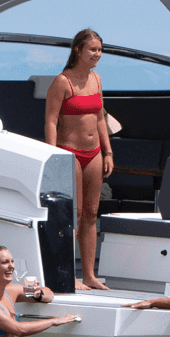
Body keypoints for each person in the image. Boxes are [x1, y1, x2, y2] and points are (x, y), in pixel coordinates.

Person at [44, 28, 113, 290]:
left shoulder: (96, 79)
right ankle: (67, 274)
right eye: (92, 50)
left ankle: (89, 275)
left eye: (99, 50)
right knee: (73, 214)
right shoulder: (63, 81)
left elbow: (100, 118)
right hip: (68, 152)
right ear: (78, 50)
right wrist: (53, 155)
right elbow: (51, 120)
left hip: (94, 152)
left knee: (91, 213)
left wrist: (108, 151)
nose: (97, 55)